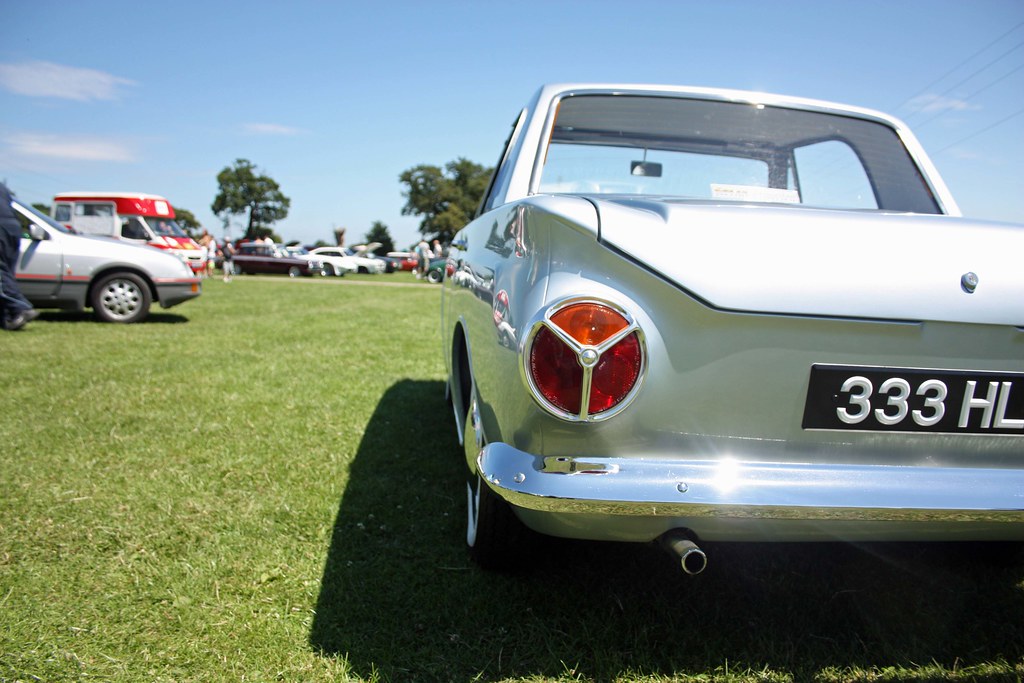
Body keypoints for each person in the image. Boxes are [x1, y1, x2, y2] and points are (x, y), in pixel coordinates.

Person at [0, 183, 38, 331]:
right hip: (13, 226)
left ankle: (20, 307)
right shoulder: (3, 187)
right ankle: (9, 317)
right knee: (7, 271)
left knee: (2, 272)